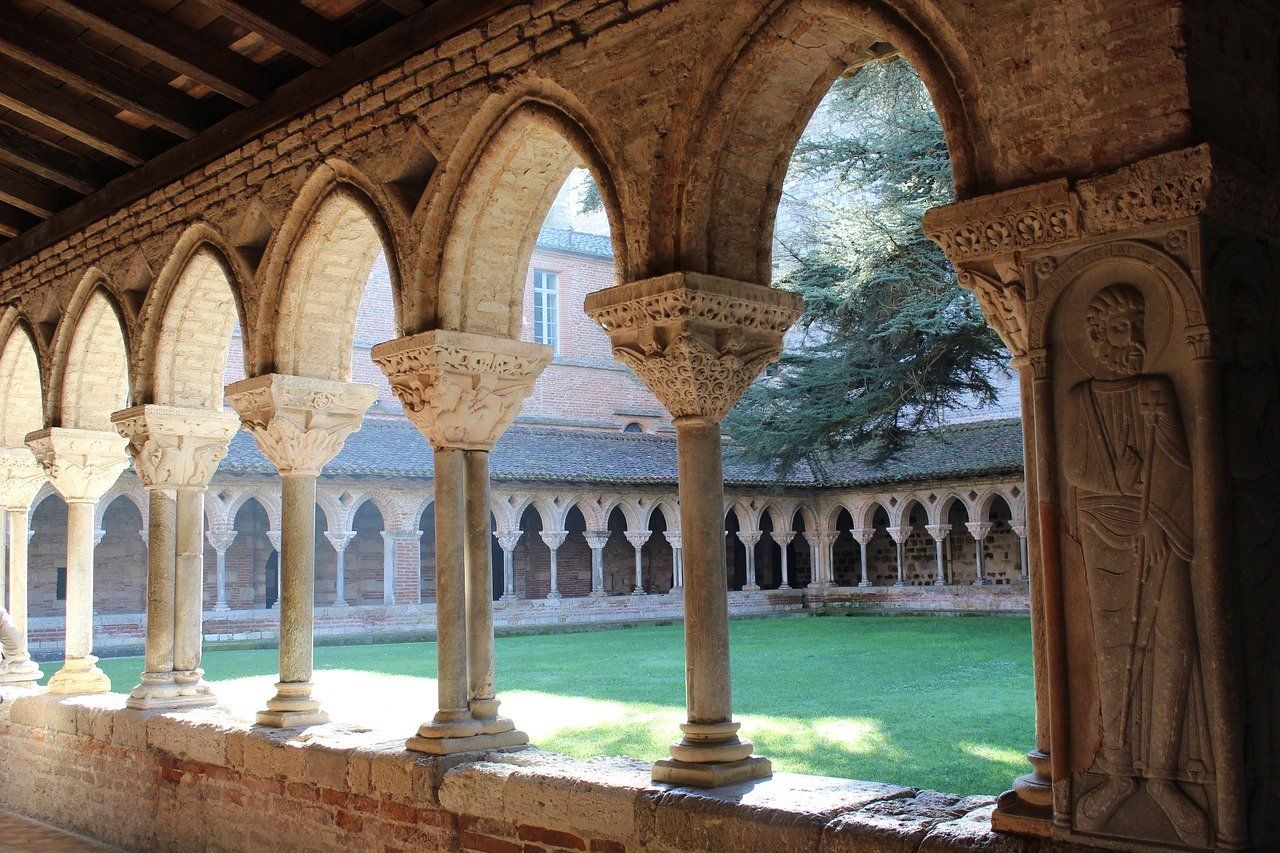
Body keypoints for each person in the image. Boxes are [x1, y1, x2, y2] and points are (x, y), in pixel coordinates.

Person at [1062, 283, 1209, 847]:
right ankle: (1118, 773)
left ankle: (1168, 779)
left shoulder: (1157, 390)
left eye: (1142, 327)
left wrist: (1159, 434)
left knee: (1174, 642)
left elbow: (1184, 464)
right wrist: (1117, 482)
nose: (1138, 340)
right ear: (1098, 338)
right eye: (1124, 329)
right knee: (1113, 649)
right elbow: (1073, 468)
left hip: (1162, 532)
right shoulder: (1079, 398)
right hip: (1105, 536)